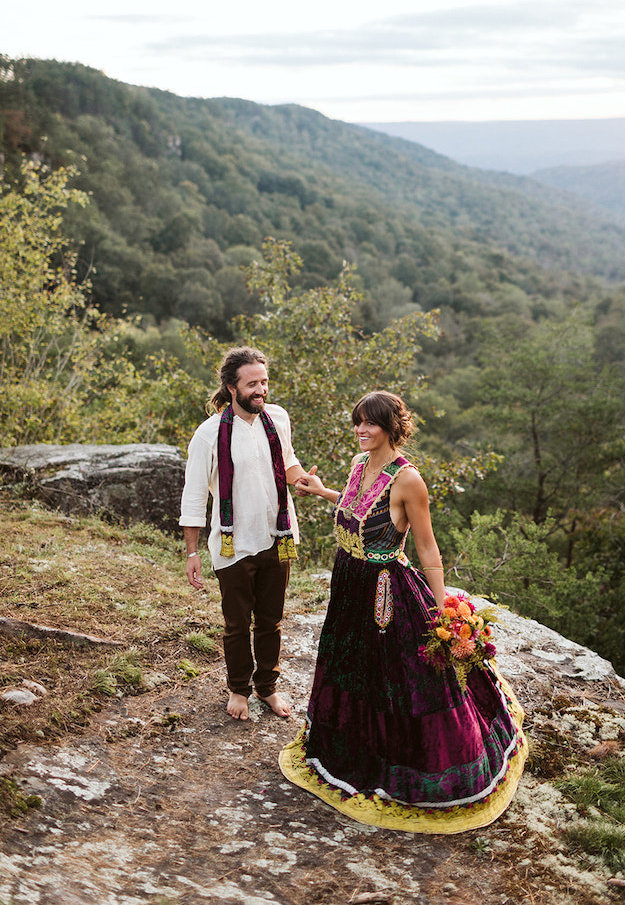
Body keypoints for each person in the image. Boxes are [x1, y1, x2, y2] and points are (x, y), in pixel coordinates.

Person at [279, 390, 526, 832]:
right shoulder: (359, 465)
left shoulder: (409, 480)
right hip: (348, 585)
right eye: (357, 421)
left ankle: (402, 768)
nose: (360, 430)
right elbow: (357, 510)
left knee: (397, 681)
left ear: (391, 426)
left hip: (385, 593)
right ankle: (352, 752)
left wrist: (442, 608)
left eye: (369, 423)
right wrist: (322, 492)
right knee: (352, 668)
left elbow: (427, 547)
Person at [180, 346, 312, 721]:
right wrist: (192, 553)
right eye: (252, 384)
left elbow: (287, 462)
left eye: (265, 382)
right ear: (230, 386)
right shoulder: (207, 435)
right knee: (237, 624)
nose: (261, 390)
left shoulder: (278, 418)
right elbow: (192, 498)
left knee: (271, 621)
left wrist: (302, 481)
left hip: (278, 537)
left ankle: (267, 687)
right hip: (232, 544)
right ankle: (238, 689)